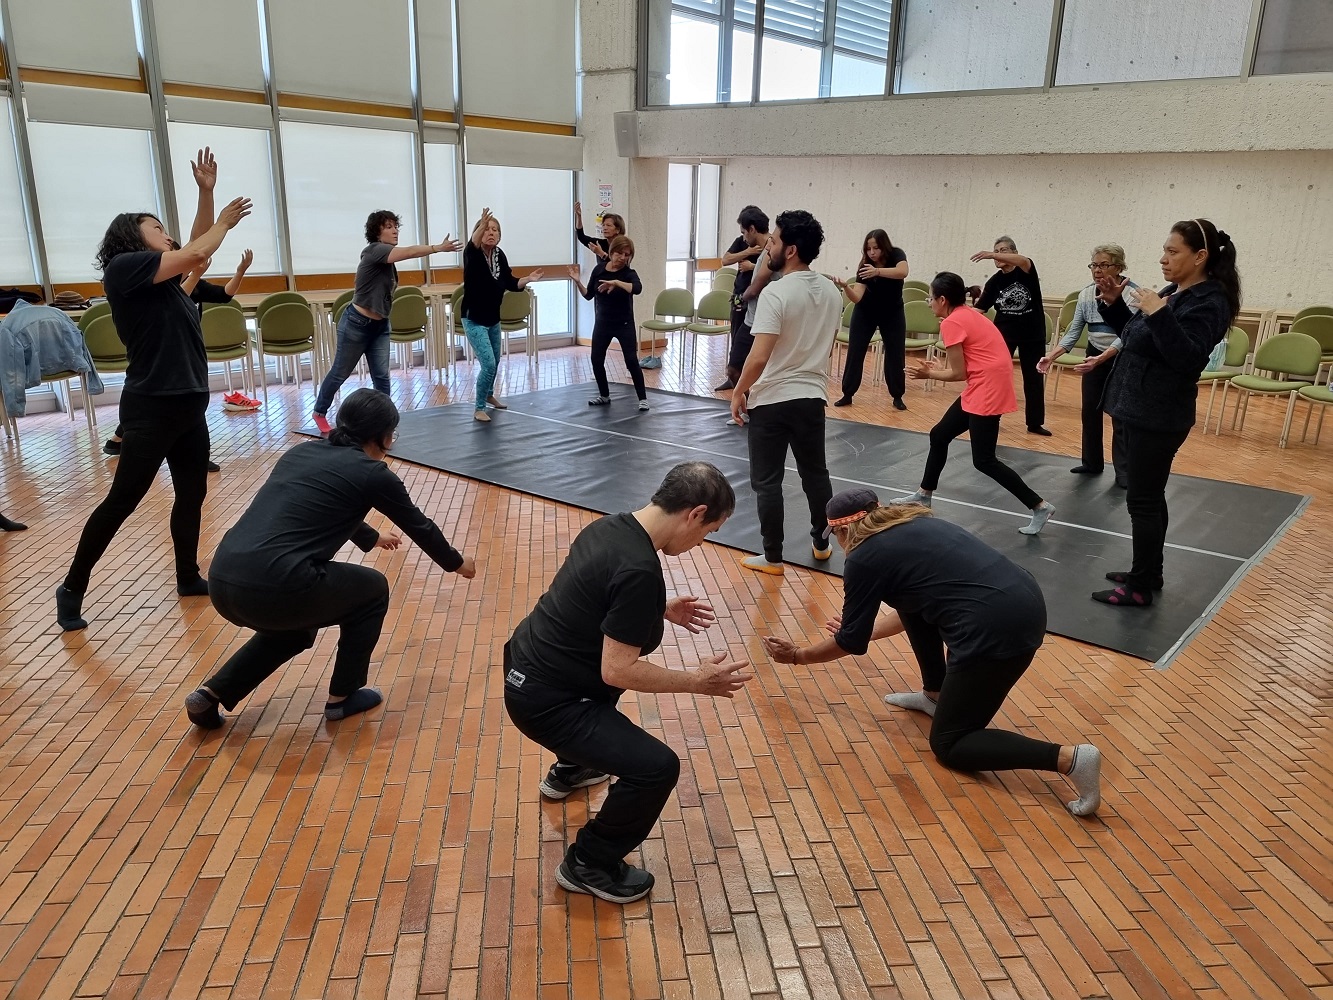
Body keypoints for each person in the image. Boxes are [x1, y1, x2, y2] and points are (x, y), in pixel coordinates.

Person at [760, 488, 1102, 817]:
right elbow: (916, 602)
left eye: (835, 535)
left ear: (845, 529)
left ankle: (1070, 759)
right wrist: (859, 628)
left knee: (950, 744)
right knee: (913, 604)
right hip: (1022, 599)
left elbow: (851, 643)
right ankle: (934, 694)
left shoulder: (864, 558)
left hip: (996, 630)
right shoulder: (914, 521)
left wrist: (797, 656)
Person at [503, 461, 752, 903]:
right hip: (551, 702)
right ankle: (588, 864)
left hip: (525, 663)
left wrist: (658, 607)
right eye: (708, 531)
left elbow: (593, 595)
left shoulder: (610, 528)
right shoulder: (639, 568)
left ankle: (573, 768)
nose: (701, 542)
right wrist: (696, 680)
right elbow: (617, 670)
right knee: (657, 768)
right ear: (694, 513)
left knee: (602, 703)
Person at [184, 389, 476, 729]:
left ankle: (211, 694)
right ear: (383, 436)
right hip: (274, 585)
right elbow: (419, 526)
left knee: (294, 631)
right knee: (373, 589)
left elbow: (324, 504)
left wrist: (371, 536)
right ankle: (344, 696)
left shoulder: (301, 453)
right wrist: (456, 563)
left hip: (222, 580)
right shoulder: (373, 473)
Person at [55, 192, 253, 632]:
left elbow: (194, 247)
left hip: (188, 408)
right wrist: (222, 221)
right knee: (122, 501)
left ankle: (187, 577)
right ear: (132, 236)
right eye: (157, 226)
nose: (167, 233)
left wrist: (205, 193)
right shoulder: (124, 270)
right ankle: (71, 587)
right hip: (151, 409)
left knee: (192, 493)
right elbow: (201, 248)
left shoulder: (169, 285)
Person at [1090, 219, 1238, 607]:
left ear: (1200, 256)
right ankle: (1148, 573)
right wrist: (1115, 306)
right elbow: (1139, 340)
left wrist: (1158, 312)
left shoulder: (1210, 301)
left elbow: (1188, 359)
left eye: (1173, 252)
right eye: (1165, 250)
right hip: (1137, 407)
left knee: (1142, 500)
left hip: (1158, 415)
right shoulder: (1175, 291)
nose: (1163, 259)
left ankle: (1139, 587)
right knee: (1150, 497)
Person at [897, 272, 1055, 535]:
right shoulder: (967, 314)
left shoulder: (953, 323)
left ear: (943, 299)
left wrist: (929, 374)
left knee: (984, 460)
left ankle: (1039, 506)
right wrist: (939, 367)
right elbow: (972, 361)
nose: (929, 302)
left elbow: (959, 374)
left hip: (987, 388)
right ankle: (924, 494)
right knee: (940, 434)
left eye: (931, 298)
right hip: (984, 383)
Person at [731, 210, 840, 575]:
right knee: (815, 475)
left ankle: (773, 557)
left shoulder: (776, 291)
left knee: (767, 482)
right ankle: (822, 542)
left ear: (790, 250)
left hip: (773, 401)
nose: (769, 248)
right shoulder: (831, 290)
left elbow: (758, 356)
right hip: (812, 398)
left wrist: (738, 392)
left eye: (774, 242)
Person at [104, 247, 257, 468]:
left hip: (185, 354)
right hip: (159, 354)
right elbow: (175, 300)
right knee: (155, 406)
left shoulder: (194, 283)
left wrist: (240, 271)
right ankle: (121, 439)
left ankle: (195, 456)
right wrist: (195, 274)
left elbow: (225, 295)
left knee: (187, 406)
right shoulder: (157, 288)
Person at [311, 212, 461, 435]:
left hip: (380, 326)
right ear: (377, 232)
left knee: (381, 376)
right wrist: (437, 248)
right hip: (356, 324)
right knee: (340, 373)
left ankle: (384, 422)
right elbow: (409, 252)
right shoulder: (375, 251)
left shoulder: (387, 262)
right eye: (389, 227)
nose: (395, 230)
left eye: (396, 226)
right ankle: (319, 412)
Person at [1038, 245, 1138, 486]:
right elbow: (1073, 332)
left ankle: (1124, 473)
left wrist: (1101, 360)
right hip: (1094, 354)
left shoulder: (1132, 294)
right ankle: (1092, 463)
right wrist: (1052, 355)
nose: (1097, 270)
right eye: (1094, 265)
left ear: (1119, 267)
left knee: (1119, 413)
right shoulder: (1085, 295)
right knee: (1089, 410)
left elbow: (1126, 335)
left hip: (1122, 357)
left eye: (1104, 265)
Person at [462, 208, 543, 423]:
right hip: (474, 318)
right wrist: (481, 224)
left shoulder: (499, 255)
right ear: (478, 232)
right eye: (486, 229)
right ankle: (479, 407)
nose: (491, 232)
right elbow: (472, 243)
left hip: (493, 318)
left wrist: (528, 279)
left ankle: (489, 394)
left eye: (495, 230)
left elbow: (510, 282)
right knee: (488, 363)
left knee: (495, 360)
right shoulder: (473, 254)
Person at [971, 236, 1050, 435]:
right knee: (997, 377)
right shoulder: (995, 281)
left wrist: (990, 254)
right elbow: (979, 309)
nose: (998, 255)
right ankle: (992, 417)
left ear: (1014, 253)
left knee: (1033, 379)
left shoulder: (1026, 271)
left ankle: (1034, 423)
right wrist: (954, 317)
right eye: (996, 251)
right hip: (1003, 335)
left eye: (1003, 250)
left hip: (1033, 334)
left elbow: (1025, 261)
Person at [568, 235, 648, 410]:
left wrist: (618, 283)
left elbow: (637, 289)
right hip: (603, 323)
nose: (622, 258)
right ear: (612, 252)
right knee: (596, 359)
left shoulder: (628, 274)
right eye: (619, 253)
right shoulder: (599, 270)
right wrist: (577, 281)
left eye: (627, 255)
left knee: (631, 360)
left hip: (624, 324)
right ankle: (604, 395)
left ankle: (642, 398)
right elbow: (588, 295)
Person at [832, 229, 909, 410]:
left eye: (876, 248)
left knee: (895, 354)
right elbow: (857, 297)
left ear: (884, 246)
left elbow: (903, 272)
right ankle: (848, 393)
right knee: (855, 351)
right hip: (865, 312)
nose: (872, 252)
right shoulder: (865, 266)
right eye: (868, 249)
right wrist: (845, 287)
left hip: (893, 312)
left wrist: (877, 272)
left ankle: (897, 395)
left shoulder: (896, 254)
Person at [715, 205, 769, 391]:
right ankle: (735, 381)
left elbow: (778, 272)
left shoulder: (774, 247)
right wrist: (748, 252)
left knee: (760, 348)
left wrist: (752, 267)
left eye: (745, 231)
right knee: (737, 339)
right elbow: (726, 260)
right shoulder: (743, 242)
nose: (744, 236)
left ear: (752, 228)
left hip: (761, 303)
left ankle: (754, 386)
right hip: (741, 297)